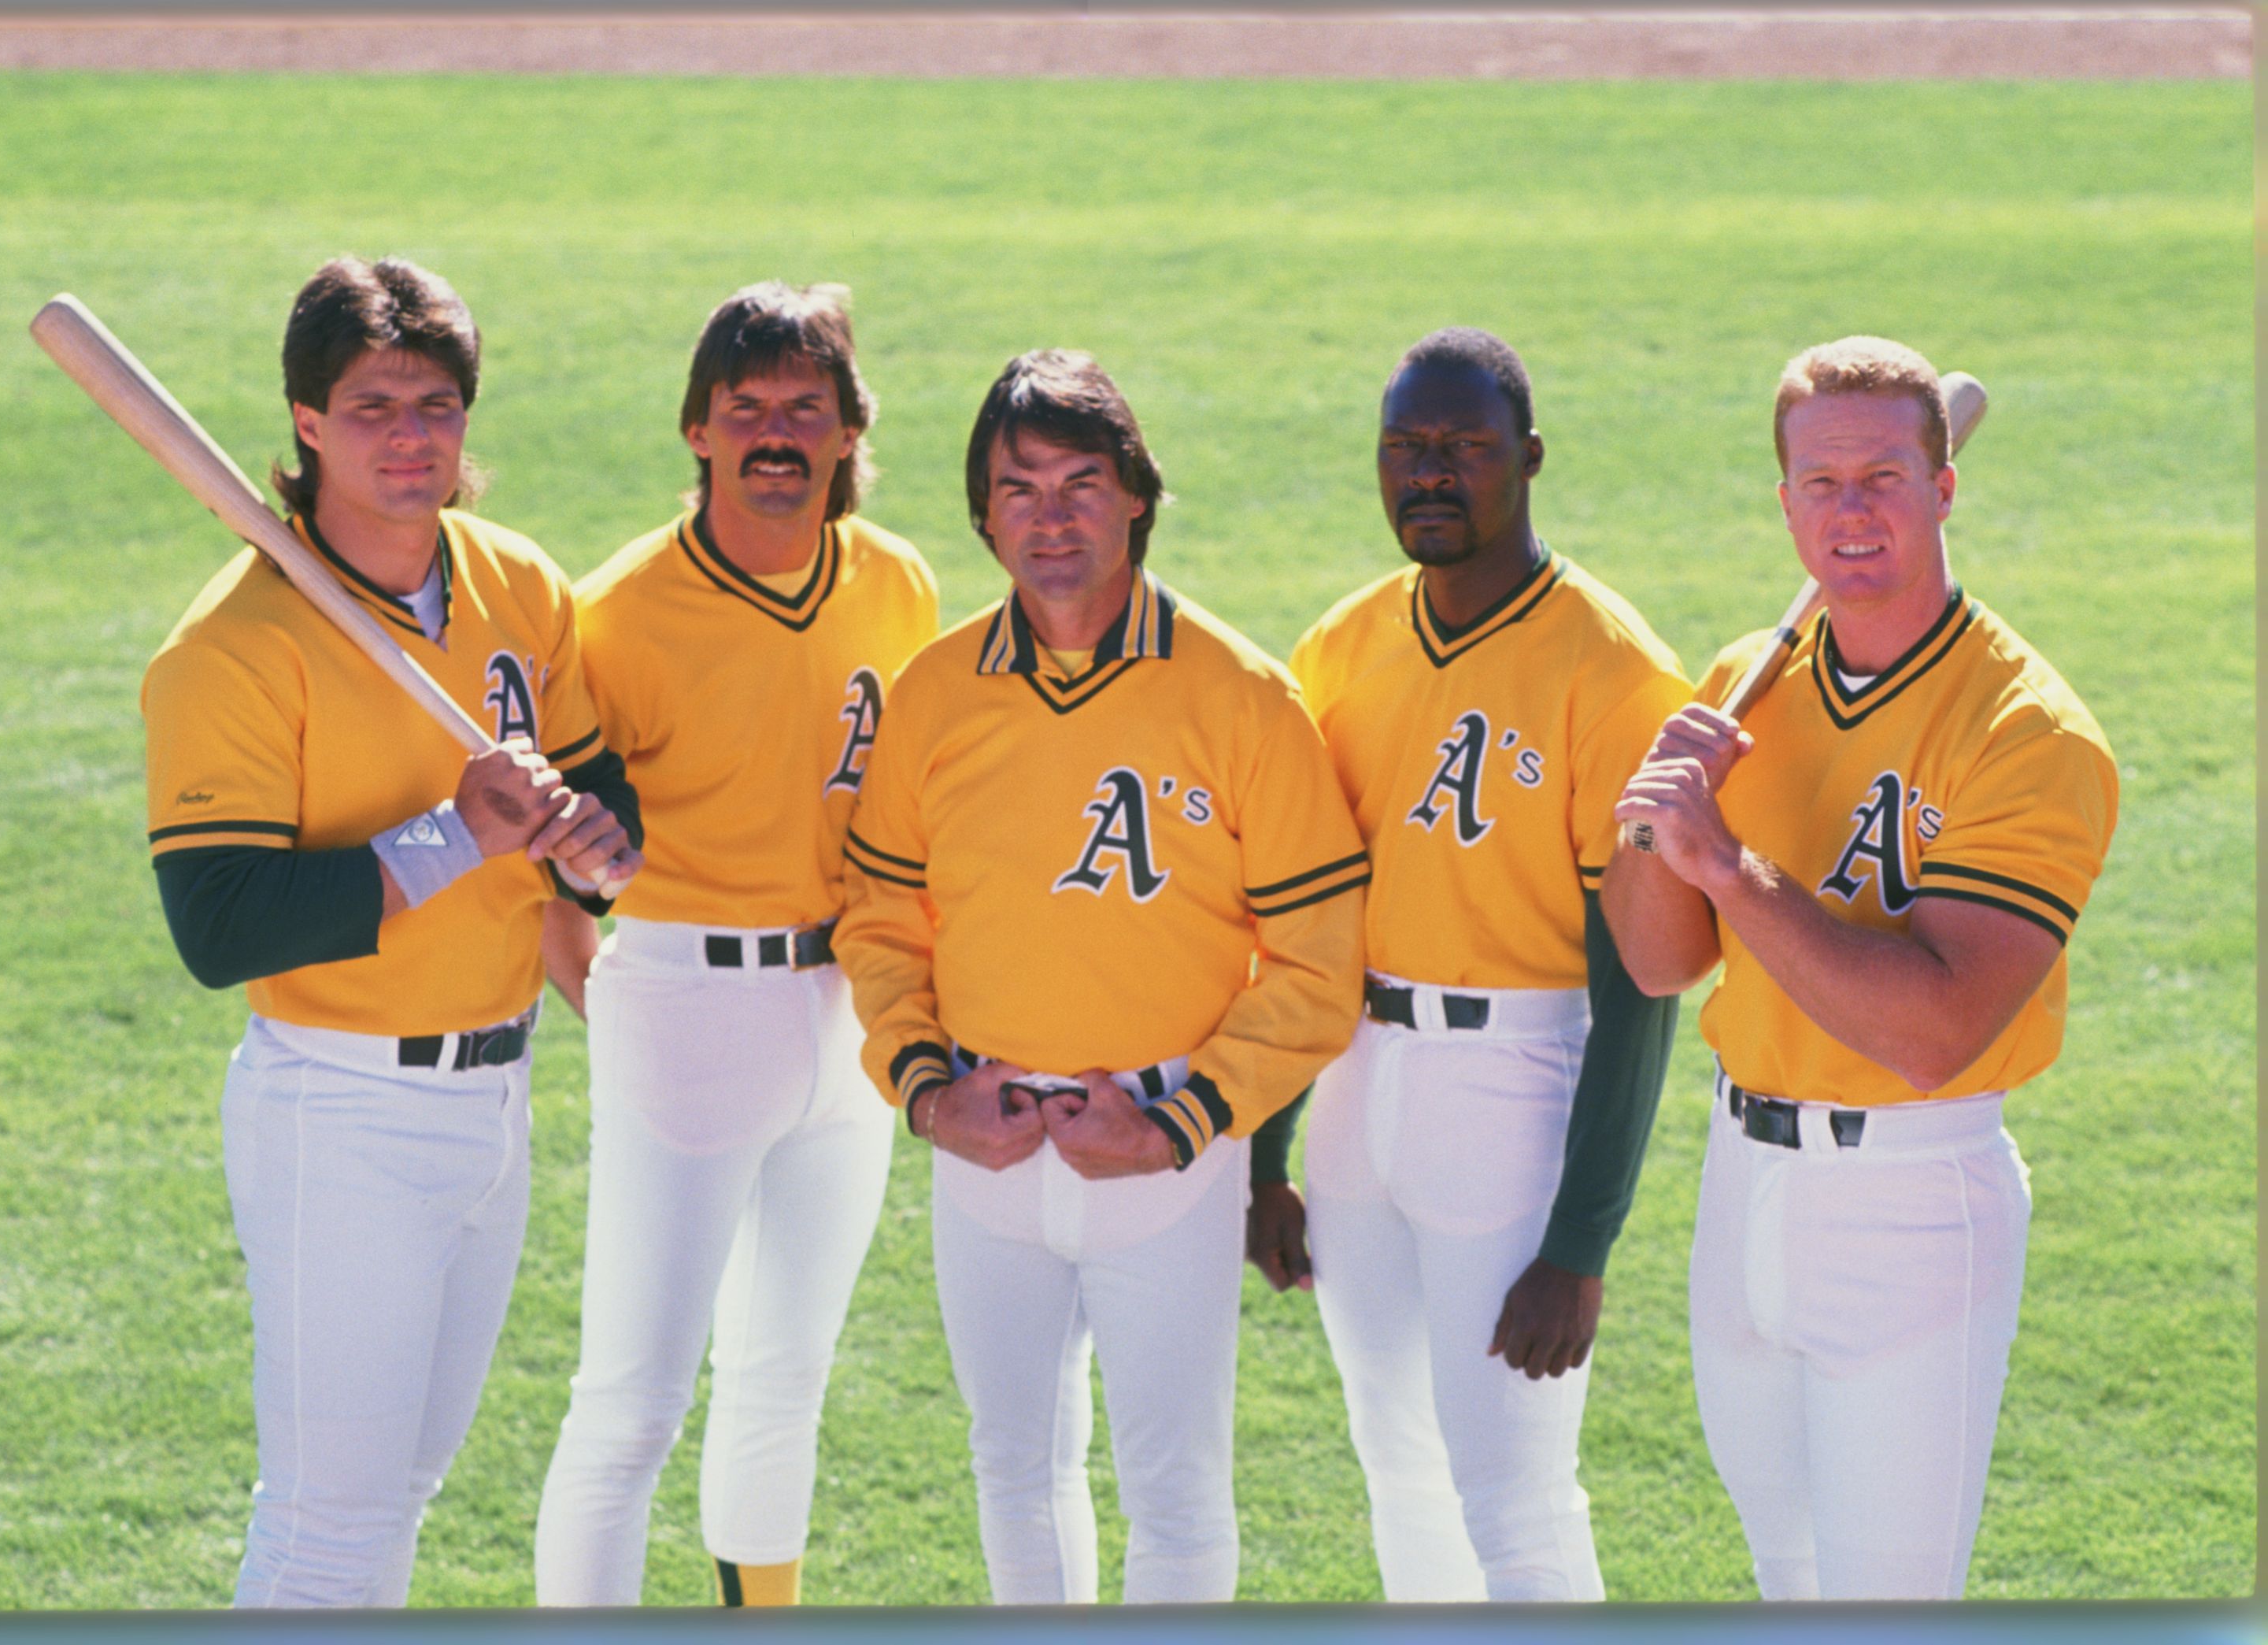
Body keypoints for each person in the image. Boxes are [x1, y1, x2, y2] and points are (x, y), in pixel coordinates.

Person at [139, 255, 642, 1607]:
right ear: (306, 420)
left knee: (395, 1496)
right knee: (325, 1526)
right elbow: (219, 921)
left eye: (436, 404)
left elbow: (595, 784)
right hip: (339, 1112)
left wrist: (597, 851)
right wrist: (454, 834)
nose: (410, 437)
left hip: (498, 1096)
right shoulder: (233, 645)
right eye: (372, 407)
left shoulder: (517, 584)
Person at [834, 350, 1367, 1604]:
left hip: (1166, 1153)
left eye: (1083, 481)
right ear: (981, 512)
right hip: (985, 1145)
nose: (1052, 516)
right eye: (1019, 489)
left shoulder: (1242, 695)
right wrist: (925, 1091)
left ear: (1138, 494)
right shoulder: (933, 693)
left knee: (1175, 1494)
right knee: (1012, 1469)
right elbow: (877, 919)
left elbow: (1315, 963)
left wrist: (1182, 1121)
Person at [1601, 336, 2118, 1601]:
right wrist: (1651, 830)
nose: (1852, 511)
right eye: (1820, 484)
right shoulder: (1742, 687)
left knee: (1887, 1607)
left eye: (1884, 475)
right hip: (1742, 1191)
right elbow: (1659, 962)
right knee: (1788, 1581)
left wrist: (1728, 866)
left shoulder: (2029, 733)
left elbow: (1936, 1025)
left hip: (1912, 1197)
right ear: (1785, 504)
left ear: (1945, 488)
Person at [1249, 328, 1689, 1602]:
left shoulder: (1612, 670)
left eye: (1464, 448)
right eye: (1406, 448)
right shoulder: (1339, 646)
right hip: (1353, 1081)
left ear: (1529, 460)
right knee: (1396, 1462)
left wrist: (1583, 1241)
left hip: (1514, 1080)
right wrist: (1267, 1151)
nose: (1429, 474)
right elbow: (1304, 921)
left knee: (1516, 1492)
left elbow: (1641, 994)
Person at [532, 281, 938, 1609]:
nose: (774, 432)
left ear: (846, 430)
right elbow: (555, 857)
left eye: (803, 408)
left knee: (785, 1374)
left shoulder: (897, 583)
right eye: (744, 407)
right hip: (687, 1001)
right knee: (634, 1395)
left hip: (850, 1012)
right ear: (697, 430)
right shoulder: (618, 610)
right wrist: (612, 969)